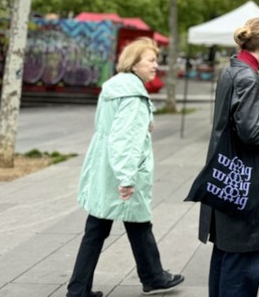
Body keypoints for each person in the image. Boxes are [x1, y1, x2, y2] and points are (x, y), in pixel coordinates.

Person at [67, 37, 184, 297]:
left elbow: (112, 132)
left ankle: (148, 276)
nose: (156, 65)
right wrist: (127, 177)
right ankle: (150, 277)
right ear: (134, 63)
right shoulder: (133, 96)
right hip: (121, 169)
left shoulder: (115, 87)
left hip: (105, 166)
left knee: (115, 225)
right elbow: (126, 139)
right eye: (151, 60)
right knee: (121, 224)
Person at [198, 18, 259, 297]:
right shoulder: (247, 77)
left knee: (226, 257)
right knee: (243, 263)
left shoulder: (236, 70)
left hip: (228, 176)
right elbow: (250, 131)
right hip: (245, 184)